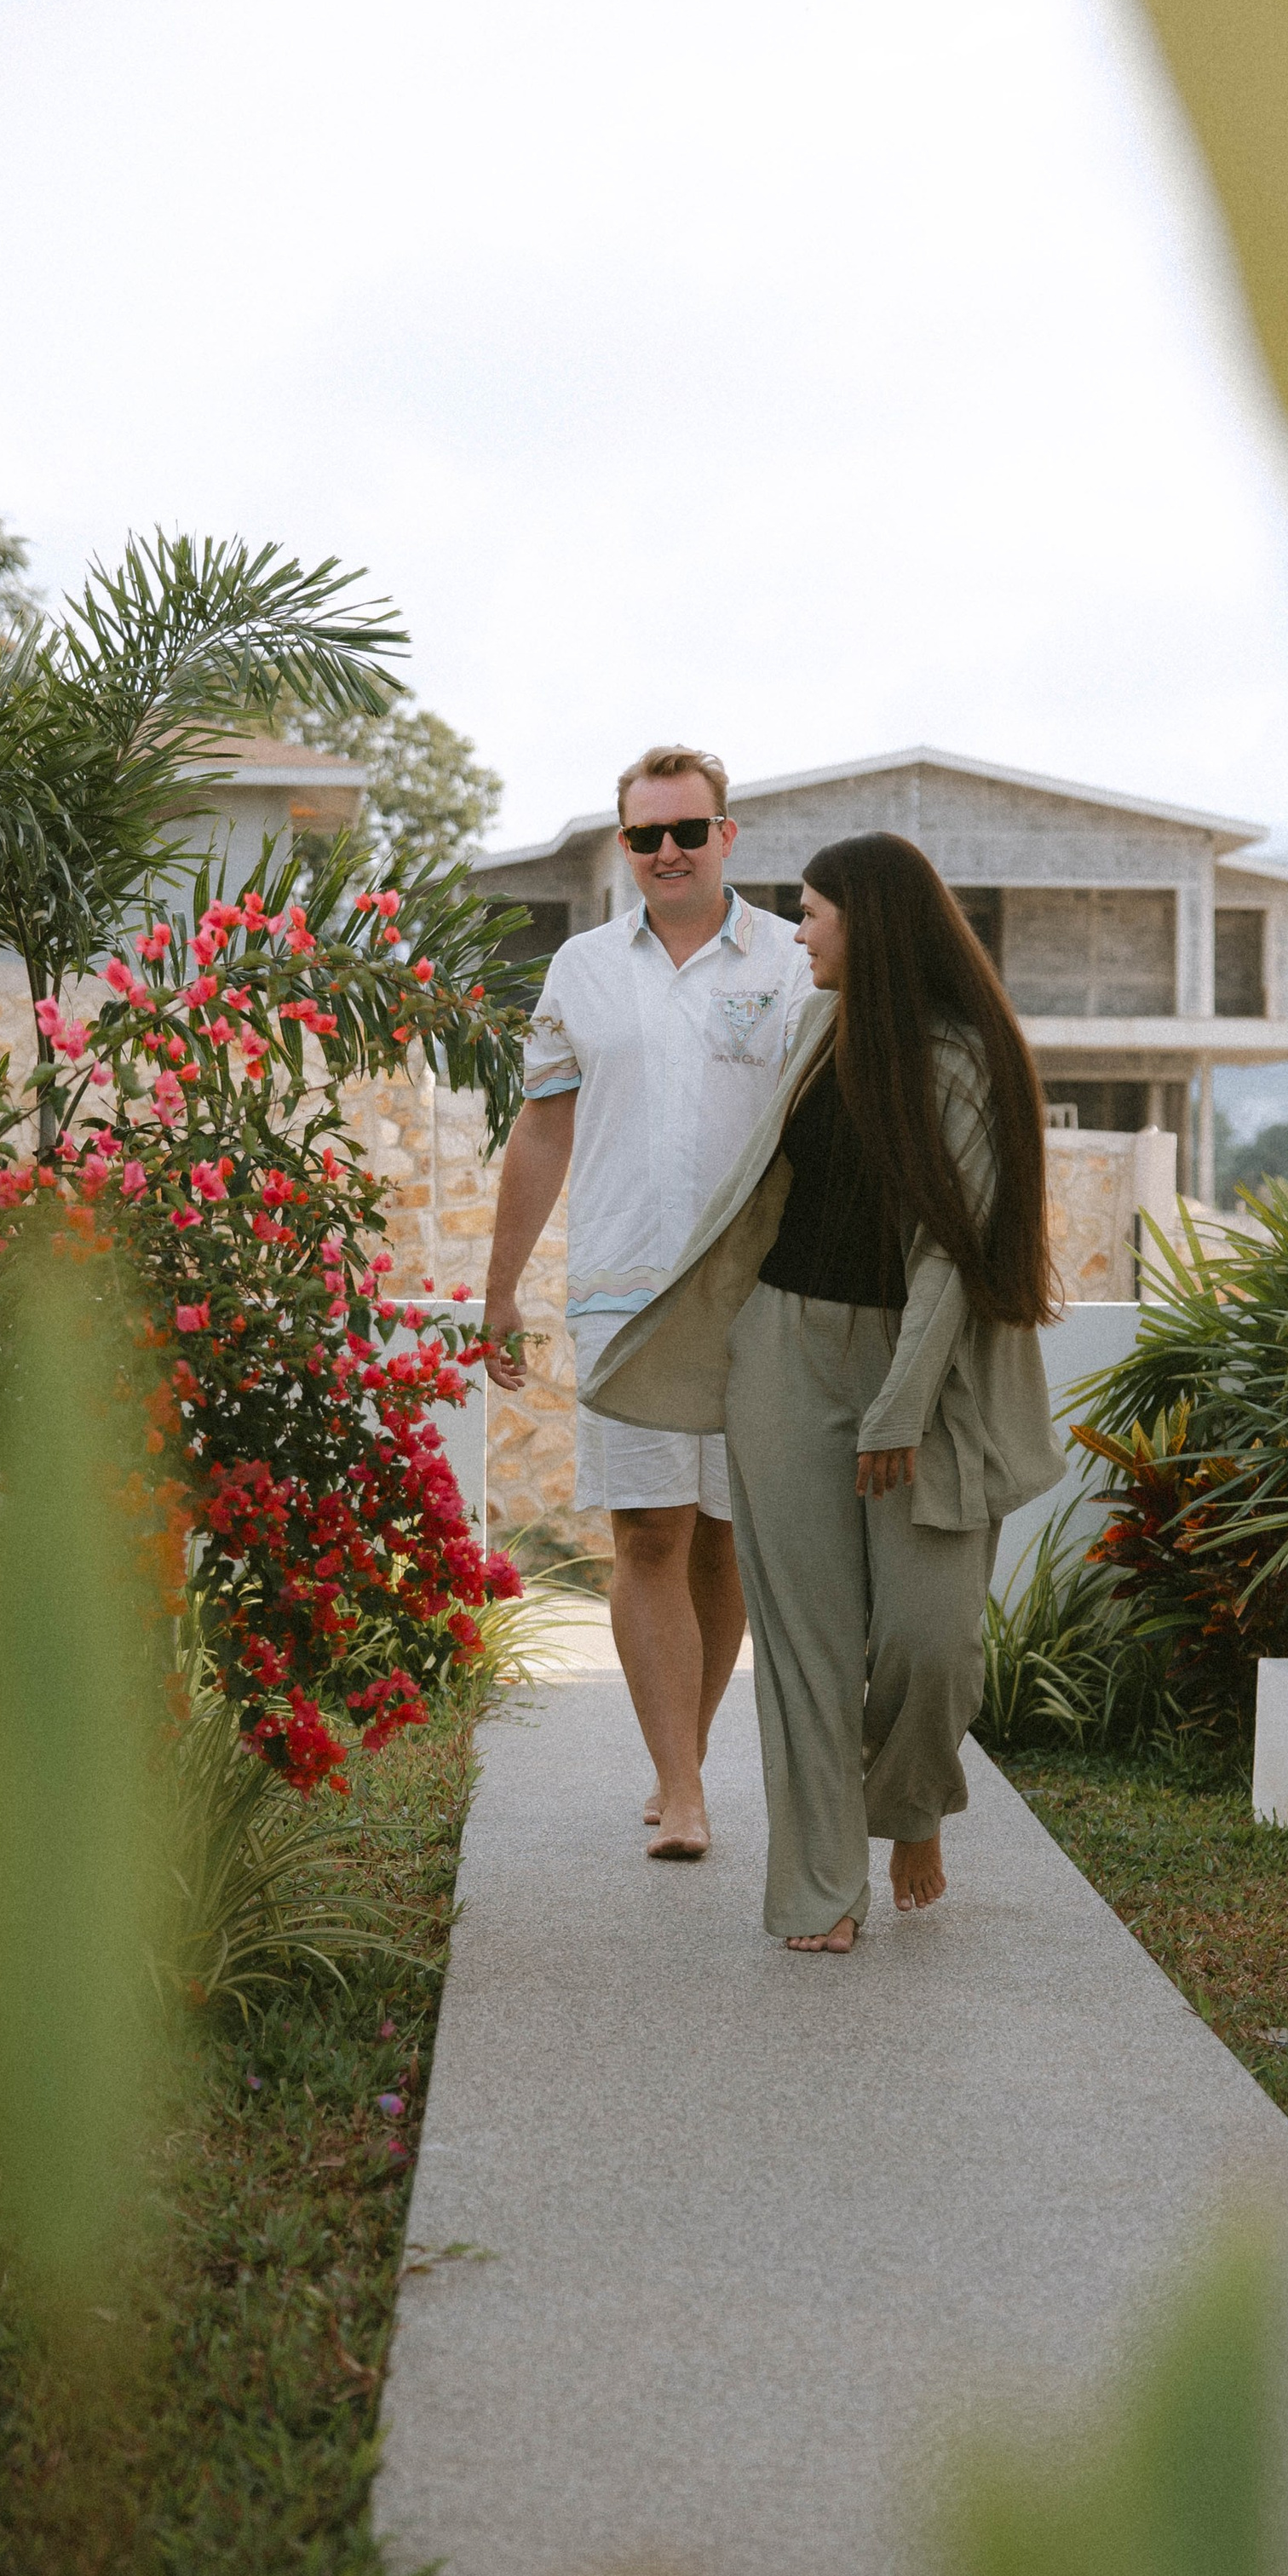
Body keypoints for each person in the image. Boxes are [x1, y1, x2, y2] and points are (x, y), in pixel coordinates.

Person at [584, 831, 1064, 1951]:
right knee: (806, 1644)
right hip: (785, 1353)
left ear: (869, 923)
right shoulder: (814, 1031)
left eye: (812, 913)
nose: (798, 934)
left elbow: (952, 1256)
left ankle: (910, 1810)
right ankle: (820, 1886)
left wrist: (899, 1406)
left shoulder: (970, 1060)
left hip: (930, 1374)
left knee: (931, 1646)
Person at [481, 745, 809, 1859]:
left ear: (726, 836)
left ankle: (686, 1762)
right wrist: (501, 1287)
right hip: (620, 1293)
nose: (667, 851)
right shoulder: (580, 969)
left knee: (725, 1537)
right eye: (644, 835)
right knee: (649, 1529)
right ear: (624, 846)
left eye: (687, 831)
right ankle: (681, 1786)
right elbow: (542, 1127)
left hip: (757, 1293)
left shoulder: (792, 960)